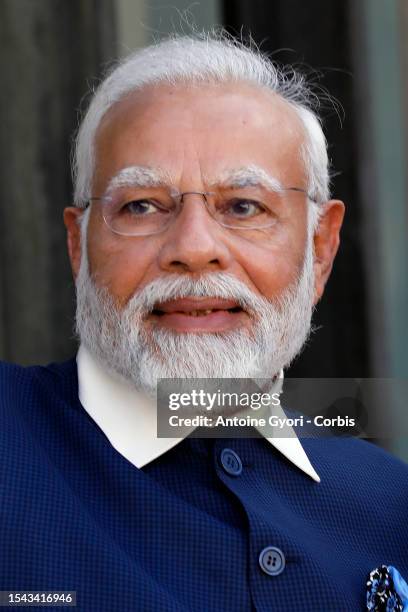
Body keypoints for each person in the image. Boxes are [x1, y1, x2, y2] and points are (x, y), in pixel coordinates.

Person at [1, 32, 407, 612]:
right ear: (79, 245)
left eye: (244, 207)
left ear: (320, 249)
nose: (193, 248)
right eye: (141, 205)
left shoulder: (391, 502)